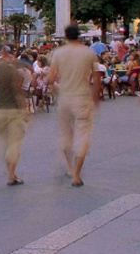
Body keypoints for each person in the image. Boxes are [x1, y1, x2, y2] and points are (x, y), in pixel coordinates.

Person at [46, 23, 102, 187]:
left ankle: (70, 167)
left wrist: (52, 85)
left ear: (65, 36)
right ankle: (77, 174)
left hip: (65, 97)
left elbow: (50, 78)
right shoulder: (89, 53)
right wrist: (95, 96)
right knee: (83, 133)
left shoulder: (58, 53)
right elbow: (97, 77)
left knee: (65, 135)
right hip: (82, 97)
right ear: (79, 36)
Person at [0, 44, 31, 189]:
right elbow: (18, 93)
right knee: (13, 145)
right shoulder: (14, 70)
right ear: (11, 55)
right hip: (14, 112)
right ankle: (11, 176)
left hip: (0, 111)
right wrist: (25, 110)